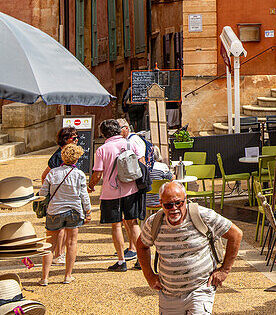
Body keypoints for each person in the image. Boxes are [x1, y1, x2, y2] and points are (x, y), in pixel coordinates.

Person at [136, 181, 242, 315]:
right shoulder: (153, 222)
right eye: (168, 205)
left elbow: (236, 234)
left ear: (185, 200)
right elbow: (141, 246)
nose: (174, 208)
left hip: (200, 289)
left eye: (178, 203)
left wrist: (224, 270)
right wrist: (149, 275)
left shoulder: (203, 215)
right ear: (161, 203)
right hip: (169, 293)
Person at [89, 118, 145, 271]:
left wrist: (91, 186)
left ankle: (121, 261)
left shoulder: (101, 150)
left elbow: (97, 174)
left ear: (104, 134)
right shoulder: (130, 144)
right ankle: (142, 259)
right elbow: (141, 163)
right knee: (133, 223)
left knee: (117, 225)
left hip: (110, 191)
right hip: (131, 189)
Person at [38, 143, 90, 285]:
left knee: (49, 245)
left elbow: (42, 193)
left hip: (55, 211)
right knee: (72, 242)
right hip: (74, 211)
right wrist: (88, 211)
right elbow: (83, 195)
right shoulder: (79, 174)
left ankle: (44, 277)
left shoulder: (53, 173)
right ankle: (68, 275)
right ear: (77, 159)